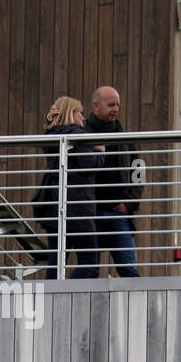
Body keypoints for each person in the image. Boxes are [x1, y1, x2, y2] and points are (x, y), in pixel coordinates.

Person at [33, 96, 99, 279]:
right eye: (80, 113)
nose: (83, 118)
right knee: (89, 261)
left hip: (55, 206)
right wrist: (100, 151)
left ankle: (51, 300)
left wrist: (48, 120)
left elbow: (48, 131)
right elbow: (88, 164)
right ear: (72, 113)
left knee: (57, 261)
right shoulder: (78, 135)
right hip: (78, 206)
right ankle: (70, 296)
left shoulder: (52, 137)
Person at [85, 86, 141, 277]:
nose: (116, 109)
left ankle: (136, 307)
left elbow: (138, 169)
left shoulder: (123, 136)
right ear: (96, 106)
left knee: (129, 272)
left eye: (117, 104)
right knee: (90, 272)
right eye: (111, 105)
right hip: (90, 215)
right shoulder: (82, 133)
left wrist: (130, 203)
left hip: (118, 214)